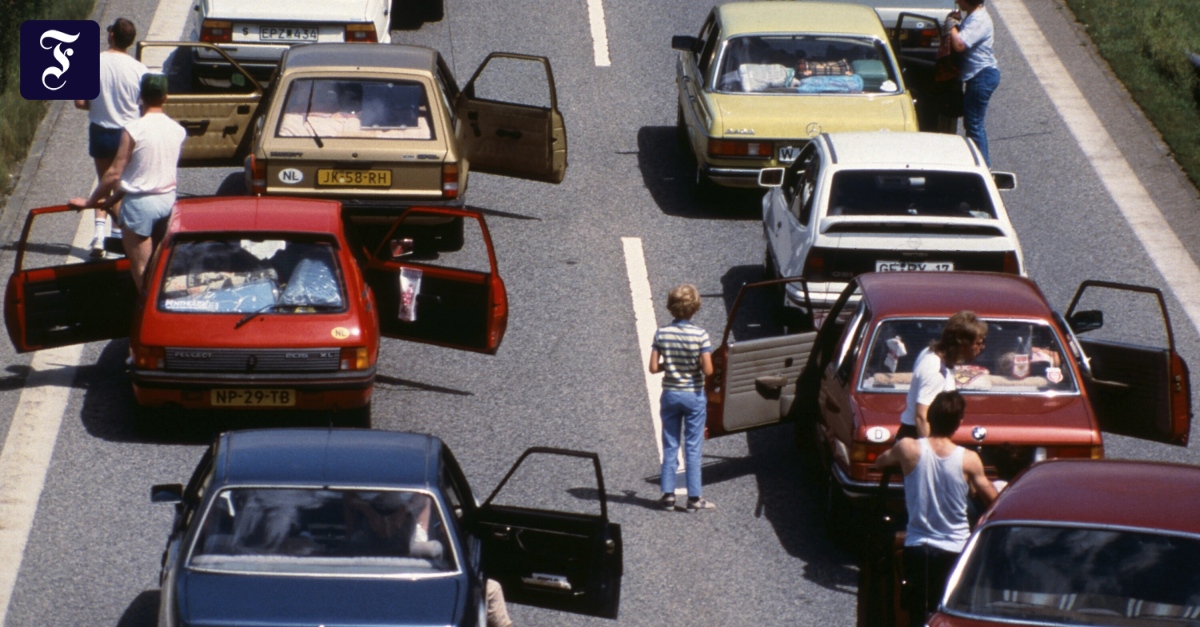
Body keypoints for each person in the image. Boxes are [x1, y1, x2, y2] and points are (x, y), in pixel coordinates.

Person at [873, 391, 998, 627]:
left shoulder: (908, 448)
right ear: (960, 422)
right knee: (951, 615)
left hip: (918, 547)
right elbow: (993, 501)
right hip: (955, 548)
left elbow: (880, 462)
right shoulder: (969, 459)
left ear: (929, 418)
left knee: (918, 615)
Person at [69, 73, 186, 290]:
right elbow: (146, 173)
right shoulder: (177, 130)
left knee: (142, 271)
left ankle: (148, 316)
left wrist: (90, 202)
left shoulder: (133, 129)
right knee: (163, 268)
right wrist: (115, 198)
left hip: (140, 207)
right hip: (168, 201)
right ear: (165, 97)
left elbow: (115, 173)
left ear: (140, 96)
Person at [73, 18, 148, 258]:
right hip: (128, 133)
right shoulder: (139, 69)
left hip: (101, 131)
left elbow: (80, 103)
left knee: (103, 183)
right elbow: (144, 106)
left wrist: (100, 106)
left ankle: (98, 236)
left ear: (111, 36)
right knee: (122, 186)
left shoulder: (92, 62)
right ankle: (120, 236)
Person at [649, 284, 715, 512]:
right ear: (694, 308)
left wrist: (672, 364)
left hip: (670, 394)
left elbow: (653, 367)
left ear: (671, 307)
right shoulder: (700, 335)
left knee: (670, 443)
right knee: (693, 446)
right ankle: (694, 498)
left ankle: (667, 495)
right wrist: (693, 363)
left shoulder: (661, 333)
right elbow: (708, 370)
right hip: (693, 395)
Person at [898, 310, 987, 439]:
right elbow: (921, 418)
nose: (982, 347)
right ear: (962, 344)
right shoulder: (935, 370)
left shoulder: (933, 354)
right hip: (916, 437)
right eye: (978, 343)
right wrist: (930, 454)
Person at [947, 0, 1000, 165]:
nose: (956, 1)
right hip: (977, 75)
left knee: (974, 125)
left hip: (981, 75)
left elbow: (960, 44)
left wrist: (951, 28)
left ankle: (983, 167)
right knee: (973, 123)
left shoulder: (979, 20)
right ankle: (978, 162)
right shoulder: (972, 17)